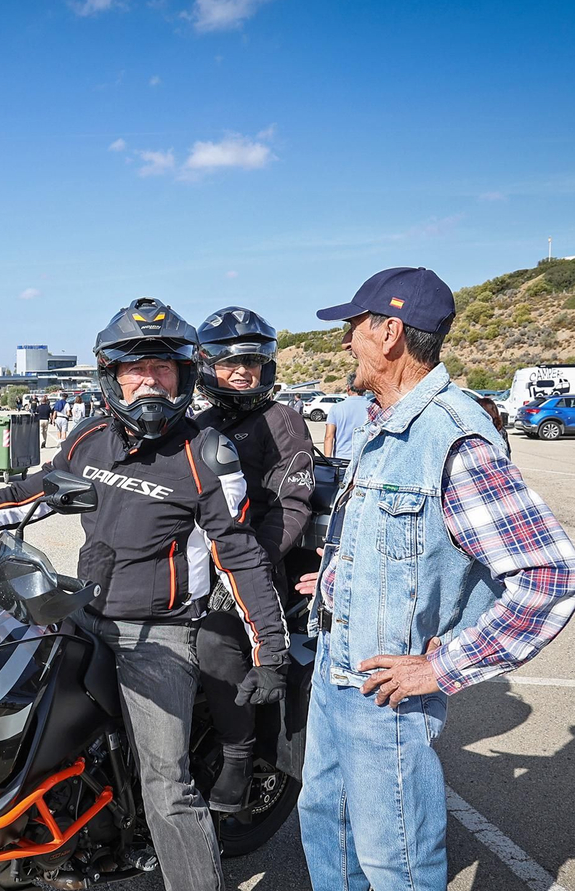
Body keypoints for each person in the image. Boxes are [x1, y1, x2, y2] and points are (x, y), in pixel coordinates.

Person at [0, 298, 289, 891]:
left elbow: (240, 554)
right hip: (83, 611)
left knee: (165, 783)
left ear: (183, 375)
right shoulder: (90, 438)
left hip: (161, 633)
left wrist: (270, 651)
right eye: (135, 369)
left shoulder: (206, 453)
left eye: (163, 370)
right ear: (112, 375)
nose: (149, 382)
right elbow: (31, 493)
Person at [295, 268, 575, 891]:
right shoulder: (385, 422)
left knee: (394, 863)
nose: (346, 341)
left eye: (354, 328)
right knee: (327, 822)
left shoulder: (452, 438)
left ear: (390, 332)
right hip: (336, 666)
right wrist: (335, 580)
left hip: (385, 693)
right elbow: (411, 547)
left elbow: (551, 575)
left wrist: (443, 667)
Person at [192, 306, 315, 814]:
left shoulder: (282, 421)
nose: (243, 371)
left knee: (214, 641)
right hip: (200, 560)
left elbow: (291, 506)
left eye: (254, 361)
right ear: (206, 365)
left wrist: (244, 567)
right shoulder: (197, 422)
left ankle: (239, 758)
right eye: (230, 361)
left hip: (260, 566)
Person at [323, 375, 372, 461]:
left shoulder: (336, 408)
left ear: (348, 388)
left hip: (342, 460)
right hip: (365, 460)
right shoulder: (372, 407)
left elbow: (329, 436)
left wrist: (328, 461)